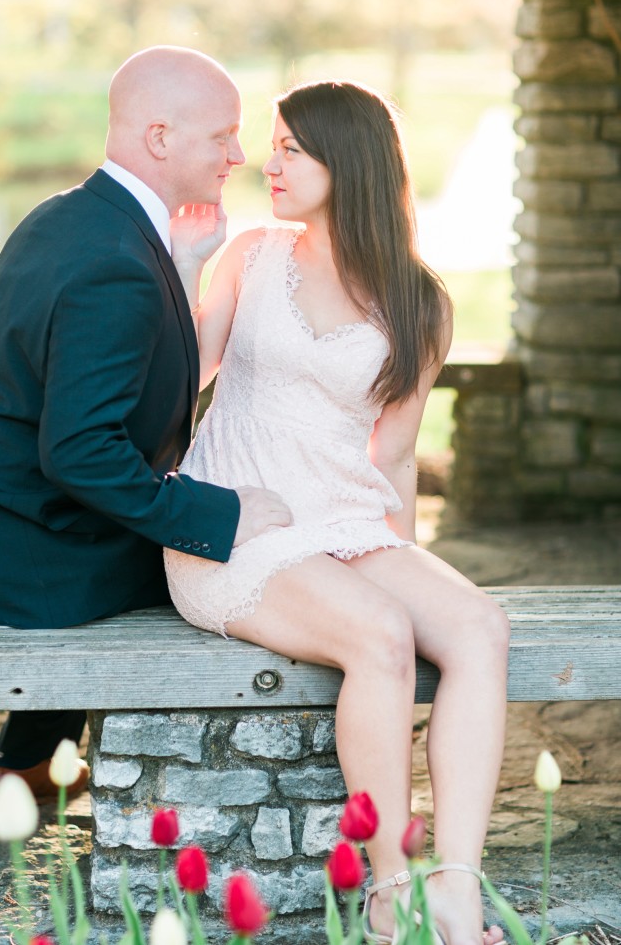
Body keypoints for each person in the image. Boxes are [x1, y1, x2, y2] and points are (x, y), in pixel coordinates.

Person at [0, 46, 292, 818]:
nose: (240, 154)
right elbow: (82, 452)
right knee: (230, 569)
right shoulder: (114, 260)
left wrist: (187, 264)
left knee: (183, 534)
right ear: (160, 138)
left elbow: (138, 386)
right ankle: (187, 799)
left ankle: (25, 764)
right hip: (17, 550)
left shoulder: (83, 217)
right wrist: (222, 515)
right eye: (223, 135)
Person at [164, 80, 510, 945]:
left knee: (477, 625)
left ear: (346, 163)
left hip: (344, 517)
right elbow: (184, 377)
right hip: (236, 521)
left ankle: (459, 889)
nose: (267, 163)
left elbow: (390, 456)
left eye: (291, 148)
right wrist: (180, 265)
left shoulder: (419, 301)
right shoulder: (250, 253)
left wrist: (410, 562)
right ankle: (392, 889)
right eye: (272, 146)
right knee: (382, 634)